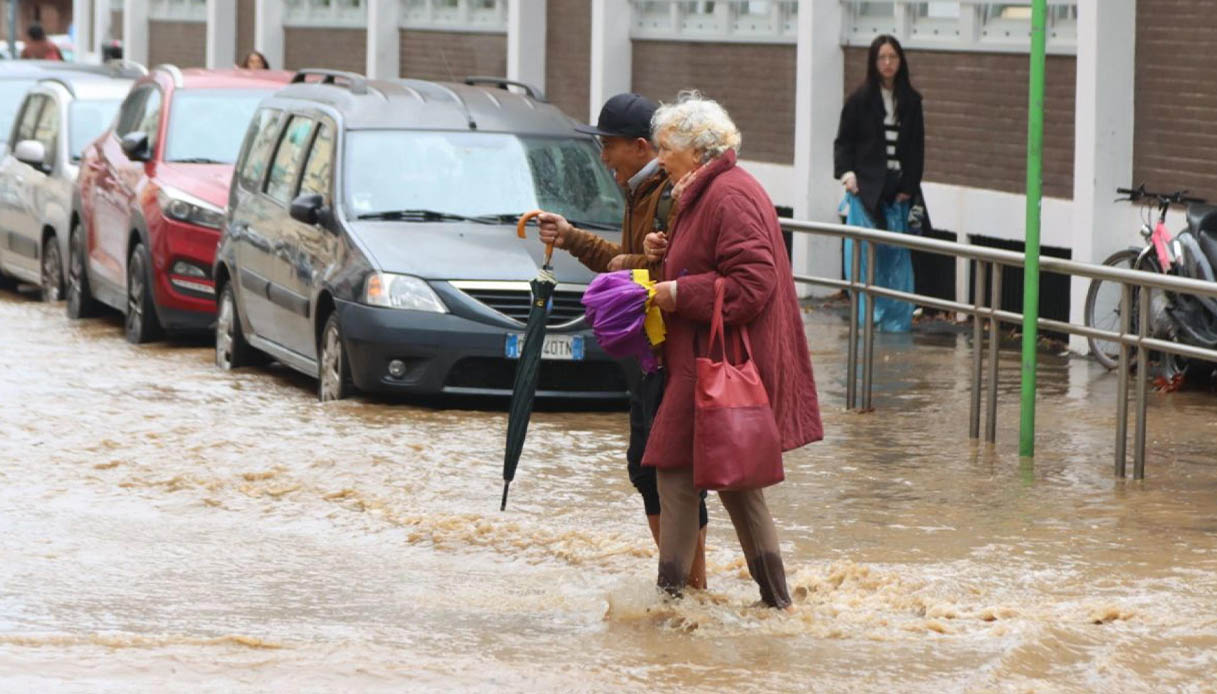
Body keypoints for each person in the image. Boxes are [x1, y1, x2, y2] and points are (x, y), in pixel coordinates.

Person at [642, 92, 822, 609]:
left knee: (679, 475)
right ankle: (774, 605)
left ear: (697, 151)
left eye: (665, 148)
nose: (659, 158)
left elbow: (751, 284)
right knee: (729, 483)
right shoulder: (708, 190)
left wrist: (677, 292)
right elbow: (713, 259)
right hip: (704, 364)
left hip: (716, 366)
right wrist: (665, 253)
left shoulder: (728, 194)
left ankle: (671, 606)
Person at [535, 93, 709, 589]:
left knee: (660, 470)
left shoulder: (670, 194)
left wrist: (626, 264)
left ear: (640, 147)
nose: (602, 157)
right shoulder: (639, 192)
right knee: (651, 470)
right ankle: (688, 589)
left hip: (667, 351)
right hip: (648, 351)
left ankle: (688, 589)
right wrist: (570, 237)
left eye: (607, 146)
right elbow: (631, 260)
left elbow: (672, 269)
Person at [833, 34, 925, 333]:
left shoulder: (911, 101)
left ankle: (896, 321)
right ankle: (866, 321)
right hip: (867, 189)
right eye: (882, 57)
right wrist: (848, 175)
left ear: (901, 61)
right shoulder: (860, 100)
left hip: (898, 190)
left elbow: (917, 148)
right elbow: (844, 142)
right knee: (865, 260)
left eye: (893, 57)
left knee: (896, 259)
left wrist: (909, 187)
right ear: (874, 63)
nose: (888, 63)